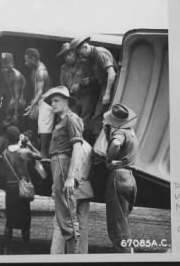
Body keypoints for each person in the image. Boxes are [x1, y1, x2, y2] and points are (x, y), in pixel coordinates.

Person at [43, 86, 83, 254]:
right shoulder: (61, 121)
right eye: (51, 101)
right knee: (63, 215)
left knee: (67, 216)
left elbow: (77, 148)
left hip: (63, 164)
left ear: (67, 101)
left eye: (56, 100)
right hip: (57, 165)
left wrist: (69, 177)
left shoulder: (71, 119)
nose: (53, 104)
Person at [2, 126, 45, 254]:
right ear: (18, 137)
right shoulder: (24, 151)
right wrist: (30, 144)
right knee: (25, 219)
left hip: (10, 187)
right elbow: (40, 156)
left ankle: (6, 249)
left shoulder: (4, 153)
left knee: (9, 219)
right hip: (22, 188)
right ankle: (26, 247)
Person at [103, 103, 138, 253]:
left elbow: (116, 143)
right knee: (123, 217)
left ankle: (125, 253)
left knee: (117, 221)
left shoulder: (120, 133)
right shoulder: (131, 133)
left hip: (118, 176)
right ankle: (124, 250)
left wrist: (109, 160)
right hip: (130, 177)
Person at [50, 140, 94, 254]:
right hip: (85, 188)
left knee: (61, 225)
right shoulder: (88, 146)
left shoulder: (66, 146)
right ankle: (81, 256)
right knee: (82, 226)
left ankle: (56, 256)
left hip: (69, 188)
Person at [71, 36, 117, 144]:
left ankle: (99, 148)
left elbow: (112, 73)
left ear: (85, 47)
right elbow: (101, 74)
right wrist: (90, 80)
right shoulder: (93, 57)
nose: (81, 57)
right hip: (103, 86)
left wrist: (107, 93)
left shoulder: (99, 53)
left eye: (81, 54)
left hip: (108, 86)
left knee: (97, 118)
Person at [57, 42, 98, 144]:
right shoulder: (63, 68)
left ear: (75, 53)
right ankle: (74, 145)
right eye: (65, 56)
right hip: (73, 99)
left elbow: (94, 79)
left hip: (86, 96)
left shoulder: (85, 63)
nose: (67, 58)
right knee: (72, 121)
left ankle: (84, 145)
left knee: (85, 122)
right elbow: (62, 85)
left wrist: (80, 84)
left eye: (69, 54)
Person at [23, 48, 53, 160]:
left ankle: (44, 153)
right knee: (32, 122)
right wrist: (33, 103)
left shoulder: (41, 71)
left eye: (27, 61)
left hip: (46, 100)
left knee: (44, 127)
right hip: (39, 99)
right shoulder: (33, 68)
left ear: (33, 59)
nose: (25, 63)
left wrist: (32, 105)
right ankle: (33, 149)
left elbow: (40, 91)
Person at [0, 52, 26, 126]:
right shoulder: (4, 72)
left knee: (17, 115)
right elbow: (9, 88)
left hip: (21, 95)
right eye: (3, 67)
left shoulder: (16, 75)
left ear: (11, 65)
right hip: (12, 94)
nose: (5, 70)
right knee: (9, 106)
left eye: (7, 67)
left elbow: (17, 94)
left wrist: (15, 113)